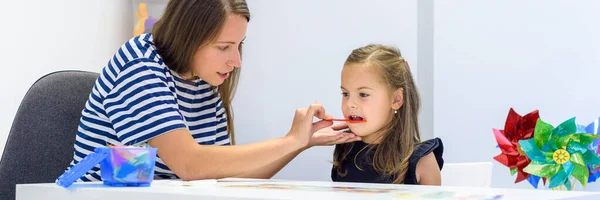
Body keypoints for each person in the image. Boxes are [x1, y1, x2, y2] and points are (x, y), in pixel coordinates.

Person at [65, 0, 360, 182]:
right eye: (224, 47)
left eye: (239, 45)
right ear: (189, 37)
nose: (236, 60)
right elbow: (190, 165)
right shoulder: (139, 65)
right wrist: (288, 140)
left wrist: (300, 142)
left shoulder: (203, 80)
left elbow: (225, 173)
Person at [331, 44, 444, 185]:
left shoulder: (422, 161)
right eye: (345, 94)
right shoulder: (344, 149)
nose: (350, 104)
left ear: (396, 99)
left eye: (363, 94)